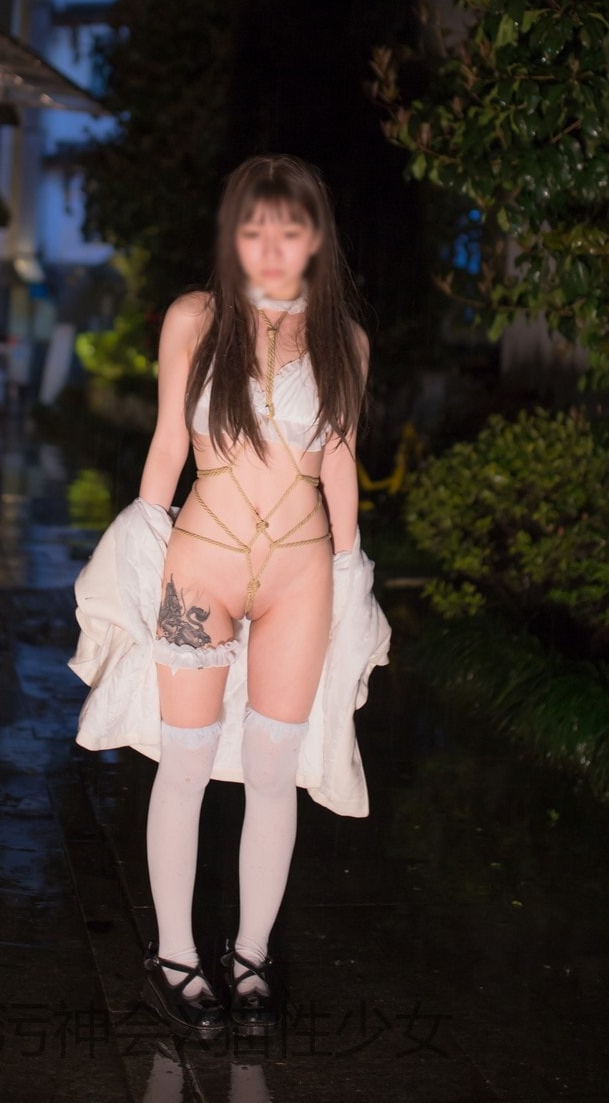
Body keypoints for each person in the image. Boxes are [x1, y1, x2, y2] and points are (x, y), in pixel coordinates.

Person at [133, 153, 375, 1039]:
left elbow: (339, 463)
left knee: (274, 772)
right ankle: (173, 955)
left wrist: (350, 577)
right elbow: (169, 443)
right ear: (231, 236)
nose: (271, 247)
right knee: (185, 762)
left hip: (299, 574)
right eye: (253, 228)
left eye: (290, 229)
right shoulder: (195, 319)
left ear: (316, 238)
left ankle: (250, 956)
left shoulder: (344, 339)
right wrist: (137, 548)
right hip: (201, 563)